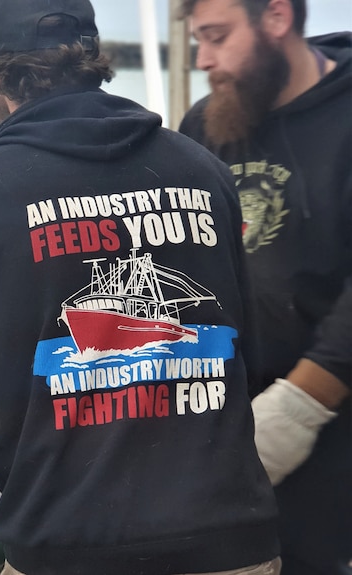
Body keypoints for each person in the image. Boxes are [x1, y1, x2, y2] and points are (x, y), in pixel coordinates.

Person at [0, 0, 281, 573]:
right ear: (94, 61)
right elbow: (251, 354)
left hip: (66, 547)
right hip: (231, 540)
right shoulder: (202, 171)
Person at [178, 0, 351, 572]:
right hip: (231, 451)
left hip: (330, 446)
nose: (204, 58)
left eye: (218, 36)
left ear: (277, 17)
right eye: (196, 39)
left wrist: (298, 409)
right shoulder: (205, 126)